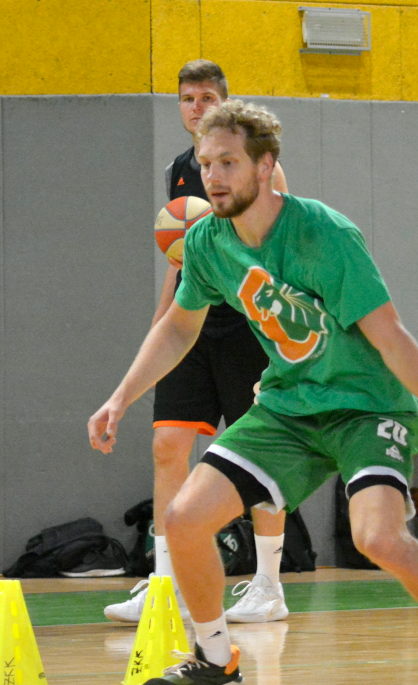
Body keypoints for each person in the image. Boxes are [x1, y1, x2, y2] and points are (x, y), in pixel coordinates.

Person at [88, 101, 418, 685]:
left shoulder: (325, 234)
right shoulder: (208, 242)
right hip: (289, 407)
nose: (213, 176)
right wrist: (119, 397)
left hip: (367, 408)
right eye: (206, 163)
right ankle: (216, 660)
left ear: (265, 167)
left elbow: (391, 335)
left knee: (379, 539)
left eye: (229, 163)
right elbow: (178, 329)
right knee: (185, 520)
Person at [103, 61, 292, 626]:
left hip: (248, 329)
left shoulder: (263, 171)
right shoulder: (181, 173)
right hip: (195, 327)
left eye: (207, 97)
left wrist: (281, 336)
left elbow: (279, 245)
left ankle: (268, 585)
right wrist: (159, 327)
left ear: (225, 103)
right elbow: (181, 257)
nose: (196, 107)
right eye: (187, 98)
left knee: (257, 455)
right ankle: (167, 582)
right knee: (167, 447)